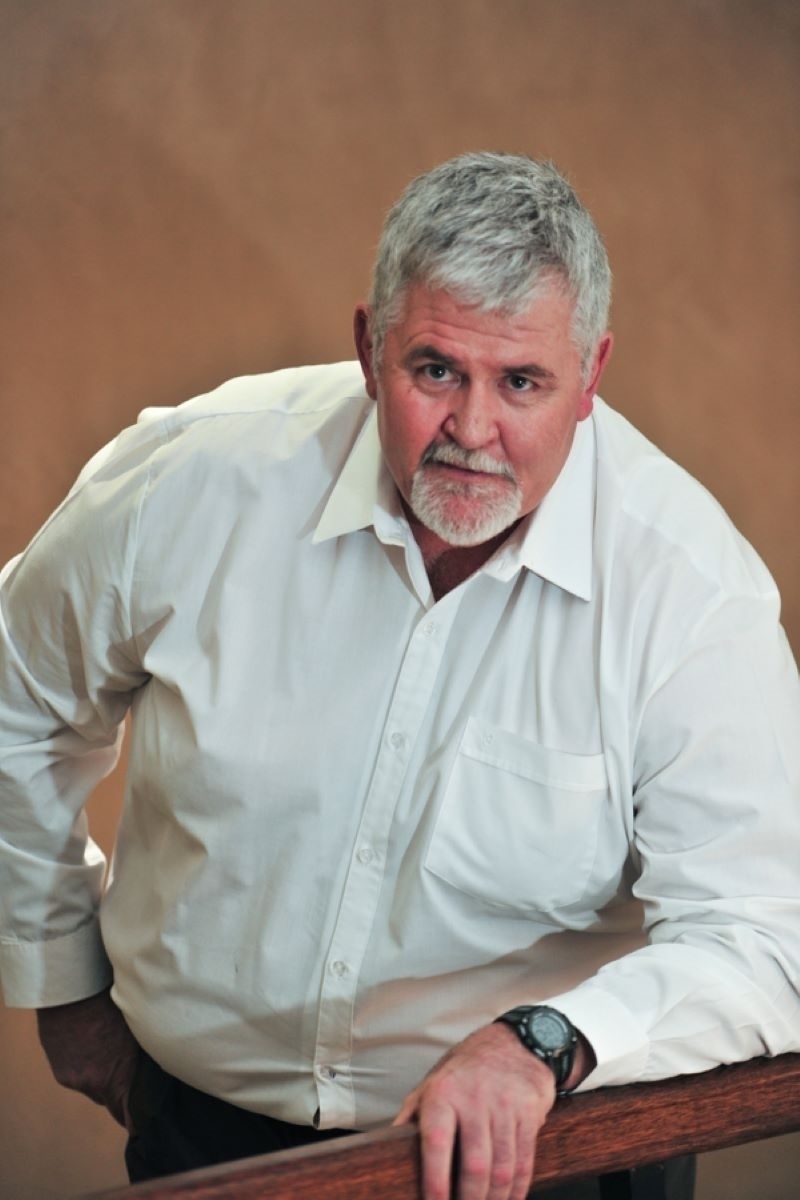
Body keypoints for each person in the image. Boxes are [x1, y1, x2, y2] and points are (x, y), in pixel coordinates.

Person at [1, 152, 798, 1200]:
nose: (472, 430)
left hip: (552, 1153)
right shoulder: (193, 480)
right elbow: (17, 698)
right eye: (435, 370)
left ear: (591, 375)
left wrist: (542, 1041)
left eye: (521, 382)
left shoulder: (687, 590)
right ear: (369, 348)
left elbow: (765, 934)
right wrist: (59, 975)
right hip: (205, 1140)